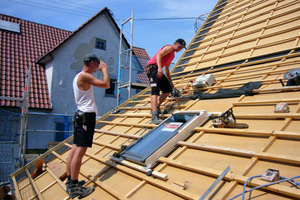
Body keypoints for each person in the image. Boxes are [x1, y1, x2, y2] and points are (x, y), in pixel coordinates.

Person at [66, 53, 110, 199]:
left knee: (74, 149)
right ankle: (74, 187)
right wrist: (104, 70)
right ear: (92, 63)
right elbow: (106, 85)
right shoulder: (85, 75)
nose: (97, 68)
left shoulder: (78, 76)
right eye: (97, 66)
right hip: (86, 117)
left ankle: (70, 181)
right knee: (80, 151)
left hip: (80, 115)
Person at [145, 38, 186, 124]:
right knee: (155, 91)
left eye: (181, 48)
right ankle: (154, 116)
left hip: (157, 69)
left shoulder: (172, 55)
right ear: (175, 43)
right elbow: (158, 55)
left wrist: (171, 82)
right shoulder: (169, 47)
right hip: (152, 68)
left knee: (168, 89)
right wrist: (160, 68)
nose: (180, 49)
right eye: (179, 46)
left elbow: (167, 69)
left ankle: (157, 106)